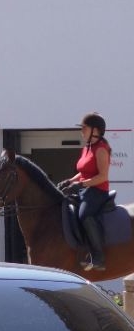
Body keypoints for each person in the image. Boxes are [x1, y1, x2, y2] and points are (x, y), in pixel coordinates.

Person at [64, 111, 112, 271]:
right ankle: (82, 250)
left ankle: (99, 257)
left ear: (95, 130)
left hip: (98, 191)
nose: (82, 131)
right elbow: (83, 171)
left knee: (84, 215)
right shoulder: (87, 148)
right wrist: (70, 181)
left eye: (84, 128)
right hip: (85, 190)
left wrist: (81, 185)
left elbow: (102, 176)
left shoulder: (101, 149)